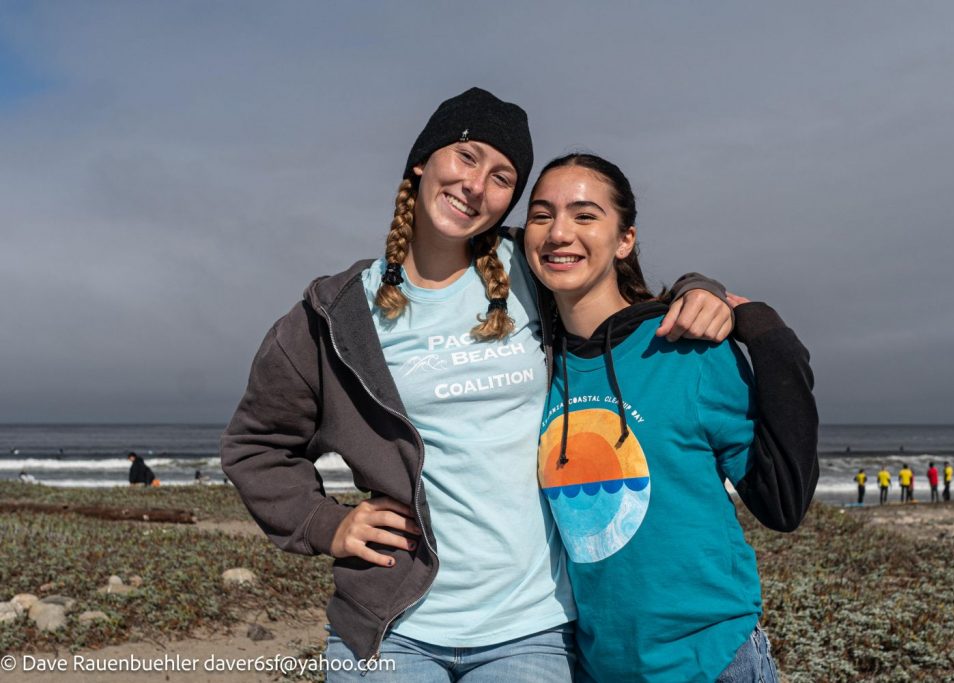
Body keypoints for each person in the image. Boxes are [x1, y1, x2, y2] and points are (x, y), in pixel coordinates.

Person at [221, 88, 736, 681]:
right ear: (422, 161)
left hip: (533, 625)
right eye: (466, 157)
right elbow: (256, 444)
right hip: (393, 626)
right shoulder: (336, 313)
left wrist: (702, 288)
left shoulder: (534, 268)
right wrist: (326, 524)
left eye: (502, 177)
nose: (475, 185)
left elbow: (615, 292)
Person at [524, 153, 818, 682]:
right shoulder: (531, 367)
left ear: (625, 240)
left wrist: (765, 330)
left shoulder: (685, 346)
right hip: (598, 666)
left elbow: (783, 500)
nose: (559, 232)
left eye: (585, 215)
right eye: (542, 215)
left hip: (713, 661)